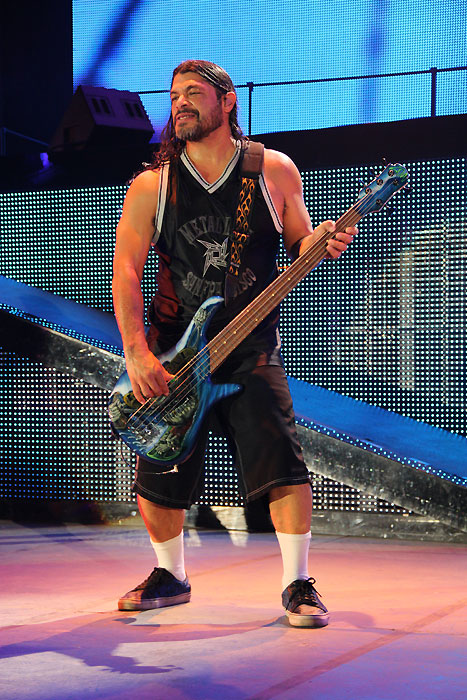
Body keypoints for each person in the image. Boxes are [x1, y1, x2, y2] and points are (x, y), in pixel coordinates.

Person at [112, 59, 356, 628]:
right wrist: (137, 352)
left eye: (193, 93)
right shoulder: (153, 184)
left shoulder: (272, 169)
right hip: (173, 351)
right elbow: (126, 271)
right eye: (174, 95)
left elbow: (300, 244)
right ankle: (170, 574)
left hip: (249, 344)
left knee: (281, 455)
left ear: (227, 102)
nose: (180, 103)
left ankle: (298, 582)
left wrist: (323, 241)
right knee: (160, 461)